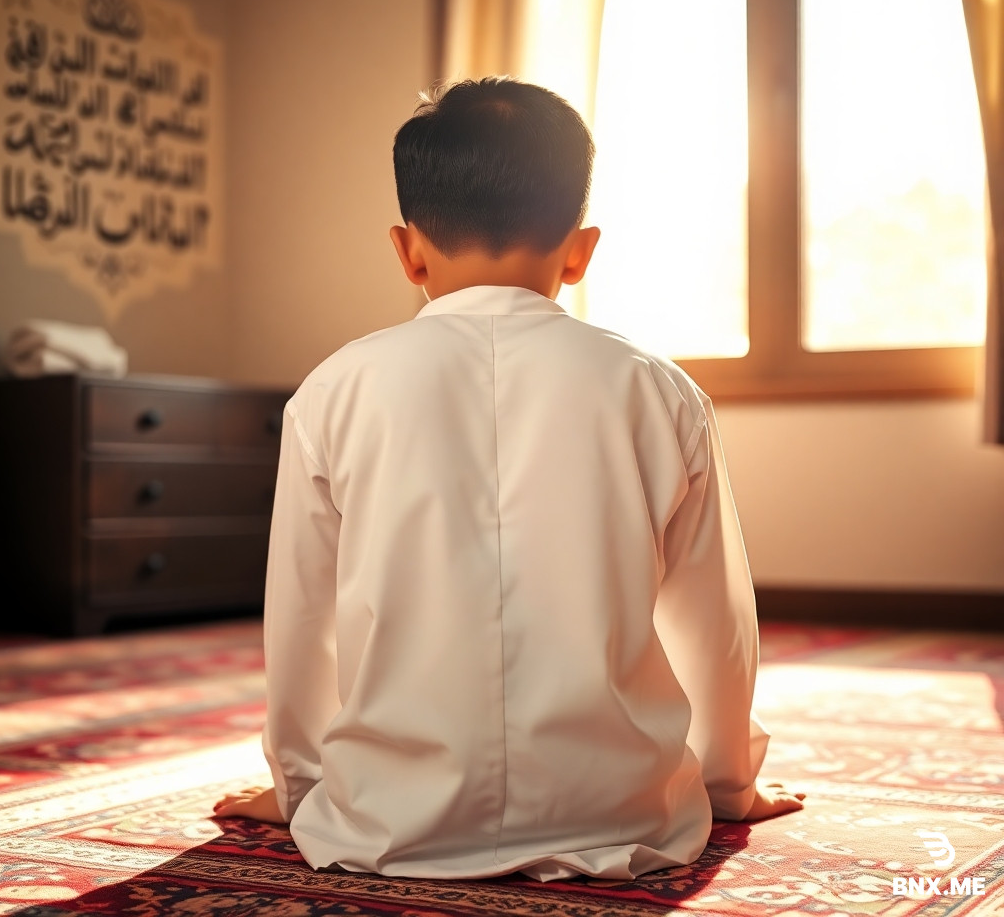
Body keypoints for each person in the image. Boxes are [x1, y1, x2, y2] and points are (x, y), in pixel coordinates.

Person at [213, 77, 804, 880]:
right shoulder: (659, 390)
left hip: (386, 817)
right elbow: (714, 619)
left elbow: (303, 616)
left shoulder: (333, 389)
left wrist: (300, 786)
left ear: (407, 248)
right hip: (627, 814)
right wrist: (729, 782)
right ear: (580, 250)